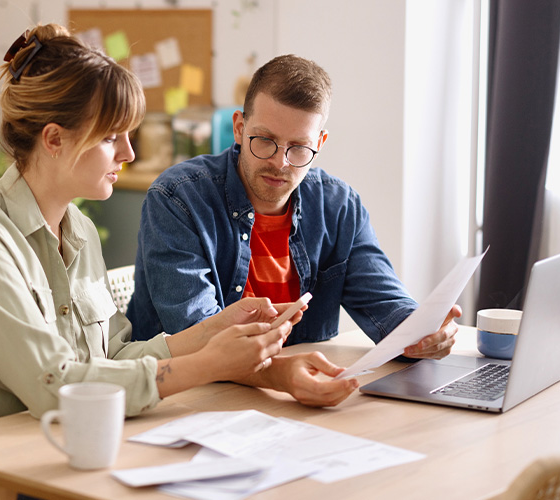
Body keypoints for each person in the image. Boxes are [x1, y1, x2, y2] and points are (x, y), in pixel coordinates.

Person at [0, 25, 304, 500]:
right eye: (112, 137)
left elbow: (107, 361)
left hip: (50, 443)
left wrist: (209, 332)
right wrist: (209, 364)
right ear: (54, 139)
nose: (128, 153)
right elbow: (57, 387)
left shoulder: (79, 229)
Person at [126, 54, 462, 407]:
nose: (279, 162)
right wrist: (281, 375)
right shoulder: (178, 198)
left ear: (320, 143)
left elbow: (388, 307)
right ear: (239, 128)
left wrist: (424, 333)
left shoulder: (338, 206)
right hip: (181, 400)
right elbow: (196, 336)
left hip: (291, 400)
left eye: (299, 147)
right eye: (264, 140)